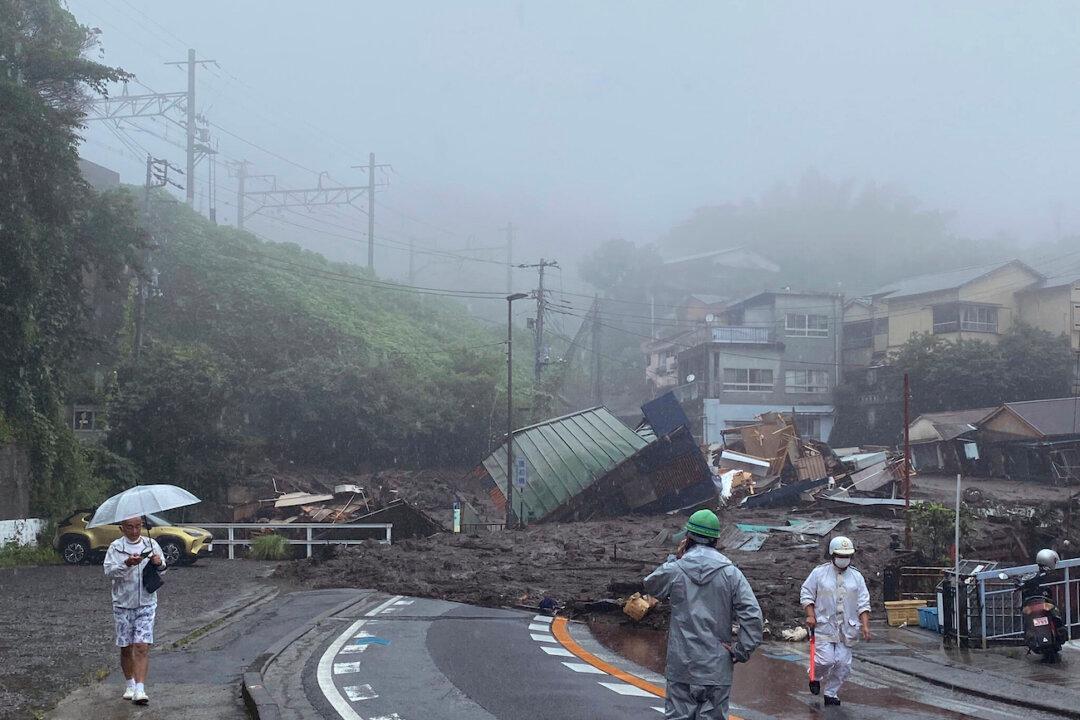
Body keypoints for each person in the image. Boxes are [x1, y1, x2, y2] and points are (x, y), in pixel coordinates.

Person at [645, 509, 763, 720]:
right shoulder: (731, 573)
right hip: (716, 668)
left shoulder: (676, 569)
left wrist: (675, 558)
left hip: (682, 665)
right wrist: (741, 651)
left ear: (687, 537)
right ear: (716, 540)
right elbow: (752, 616)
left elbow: (651, 585)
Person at [800, 535, 872, 707]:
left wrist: (865, 626)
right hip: (823, 625)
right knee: (825, 660)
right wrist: (810, 614)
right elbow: (807, 593)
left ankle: (831, 693)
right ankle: (815, 676)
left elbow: (863, 602)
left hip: (847, 628)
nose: (843, 559)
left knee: (843, 664)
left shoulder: (857, 577)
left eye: (847, 556)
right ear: (832, 555)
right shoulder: (819, 573)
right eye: (840, 555)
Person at [103, 516, 167, 705]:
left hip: (146, 602)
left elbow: (163, 569)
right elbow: (108, 571)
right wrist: (127, 564)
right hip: (123, 604)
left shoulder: (151, 544)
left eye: (138, 526)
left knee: (142, 645)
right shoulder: (116, 547)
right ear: (122, 528)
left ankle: (140, 689)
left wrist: (158, 563)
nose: (134, 531)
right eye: (130, 527)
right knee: (126, 647)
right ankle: (130, 684)